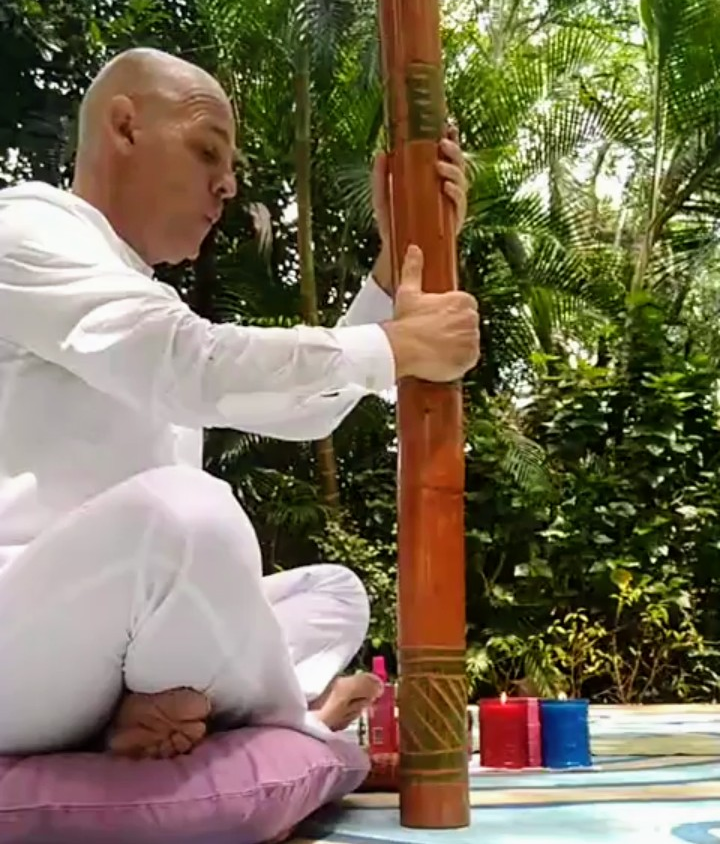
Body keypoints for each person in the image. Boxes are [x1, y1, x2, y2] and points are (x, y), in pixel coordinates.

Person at [0, 48, 478, 762]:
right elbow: (188, 362)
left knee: (334, 594)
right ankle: (290, 720)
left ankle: (170, 709)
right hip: (20, 644)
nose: (226, 185)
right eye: (206, 151)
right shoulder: (25, 229)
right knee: (190, 513)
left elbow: (307, 411)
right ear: (125, 127)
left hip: (109, 643)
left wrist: (393, 267)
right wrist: (395, 346)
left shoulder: (136, 289)